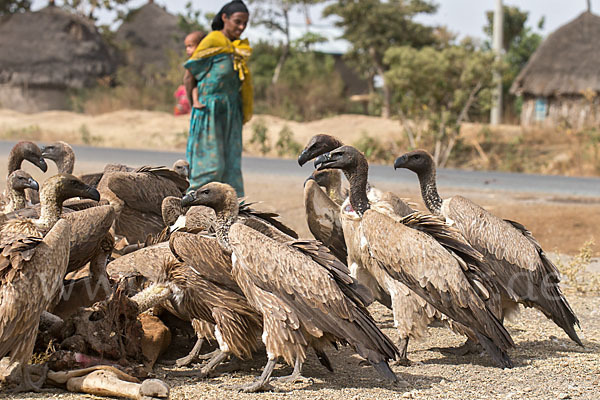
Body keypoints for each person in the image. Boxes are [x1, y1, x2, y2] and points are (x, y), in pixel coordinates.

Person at [183, 0, 252, 197]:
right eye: (237, 22)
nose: (241, 27)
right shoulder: (212, 42)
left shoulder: (236, 48)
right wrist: (194, 105)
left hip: (231, 112)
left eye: (245, 24)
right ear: (224, 18)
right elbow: (189, 76)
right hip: (209, 111)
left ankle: (232, 212)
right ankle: (192, 210)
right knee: (210, 166)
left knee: (231, 165)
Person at [174, 31, 205, 115]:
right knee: (195, 88)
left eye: (190, 46)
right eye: (186, 47)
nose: (187, 49)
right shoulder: (192, 61)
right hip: (197, 87)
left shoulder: (200, 59)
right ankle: (195, 102)